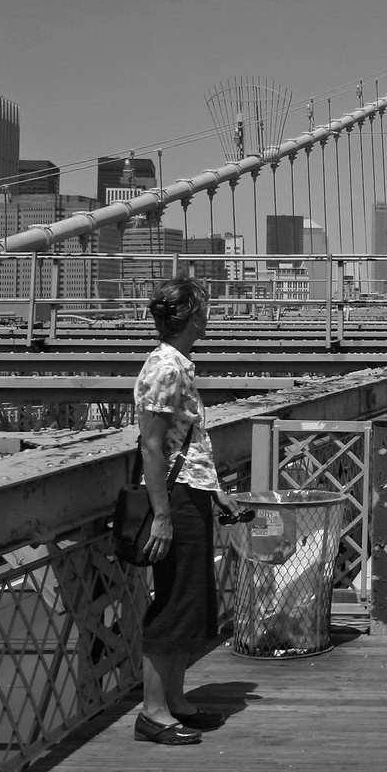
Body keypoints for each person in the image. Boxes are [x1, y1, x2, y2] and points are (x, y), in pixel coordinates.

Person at [132, 277, 243, 745]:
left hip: (189, 493)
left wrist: (213, 489)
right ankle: (153, 713)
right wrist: (161, 514)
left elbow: (185, 442)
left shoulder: (177, 364)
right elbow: (152, 447)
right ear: (191, 315)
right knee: (173, 602)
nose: (209, 312)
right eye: (205, 305)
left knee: (191, 601)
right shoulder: (165, 367)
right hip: (172, 500)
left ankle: (175, 701)